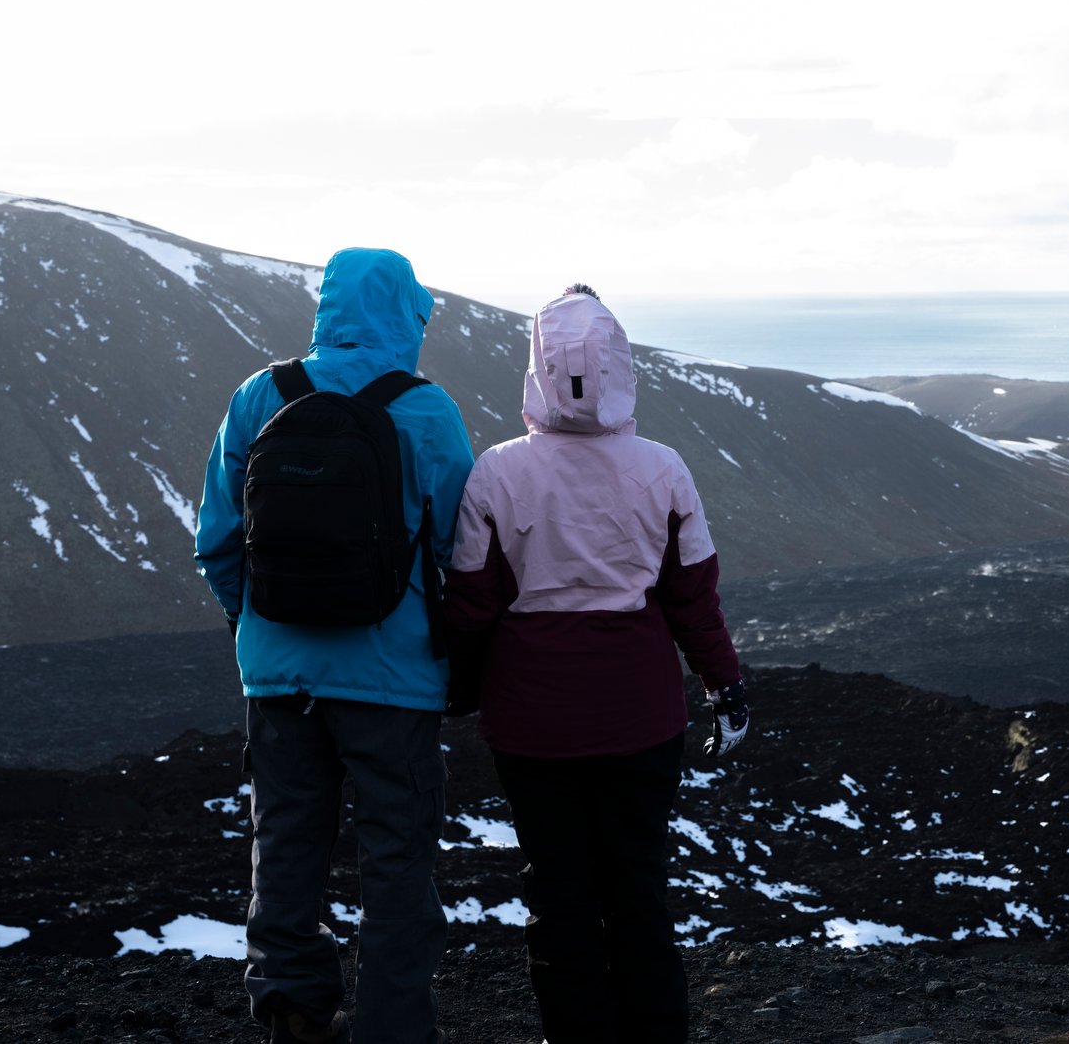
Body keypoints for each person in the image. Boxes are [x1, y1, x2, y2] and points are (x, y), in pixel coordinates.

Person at [443, 284, 747, 1044]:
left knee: (560, 893)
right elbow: (693, 599)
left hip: (530, 724)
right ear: (618, 363)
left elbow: (472, 605)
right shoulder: (664, 469)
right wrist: (725, 685)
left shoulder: (496, 473)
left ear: (539, 366)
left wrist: (456, 687)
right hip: (640, 718)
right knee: (637, 888)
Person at [195, 247, 474, 1044]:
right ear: (408, 314)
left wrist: (253, 630)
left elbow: (217, 539)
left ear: (327, 306)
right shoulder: (425, 410)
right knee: (395, 860)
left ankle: (292, 1013)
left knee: (284, 844)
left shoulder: (261, 395)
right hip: (394, 680)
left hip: (279, 680)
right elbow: (464, 545)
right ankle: (390, 1030)